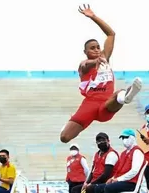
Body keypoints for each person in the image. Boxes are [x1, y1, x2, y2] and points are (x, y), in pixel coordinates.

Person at [59, 4, 142, 143]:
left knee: (118, 95)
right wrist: (95, 61)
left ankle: (125, 97)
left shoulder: (104, 58)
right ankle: (123, 96)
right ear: (86, 52)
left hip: (106, 103)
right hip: (89, 104)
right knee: (64, 138)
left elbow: (111, 34)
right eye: (92, 48)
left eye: (98, 47)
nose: (97, 50)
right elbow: (85, 64)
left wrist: (93, 17)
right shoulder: (84, 65)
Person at [94, 129, 146, 193]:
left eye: (126, 137)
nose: (124, 140)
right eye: (122, 138)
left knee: (108, 188)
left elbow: (134, 171)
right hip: (121, 181)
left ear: (132, 138)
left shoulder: (137, 151)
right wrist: (113, 178)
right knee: (97, 188)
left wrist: (118, 179)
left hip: (131, 182)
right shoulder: (123, 153)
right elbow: (119, 170)